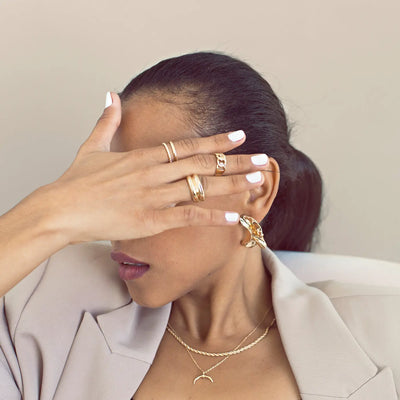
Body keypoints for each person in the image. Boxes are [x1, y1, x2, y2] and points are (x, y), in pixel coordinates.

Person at [1, 52, 399, 400]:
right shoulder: (42, 303)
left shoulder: (384, 334)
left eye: (157, 186)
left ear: (255, 191)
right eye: (115, 191)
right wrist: (52, 210)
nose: (120, 226)